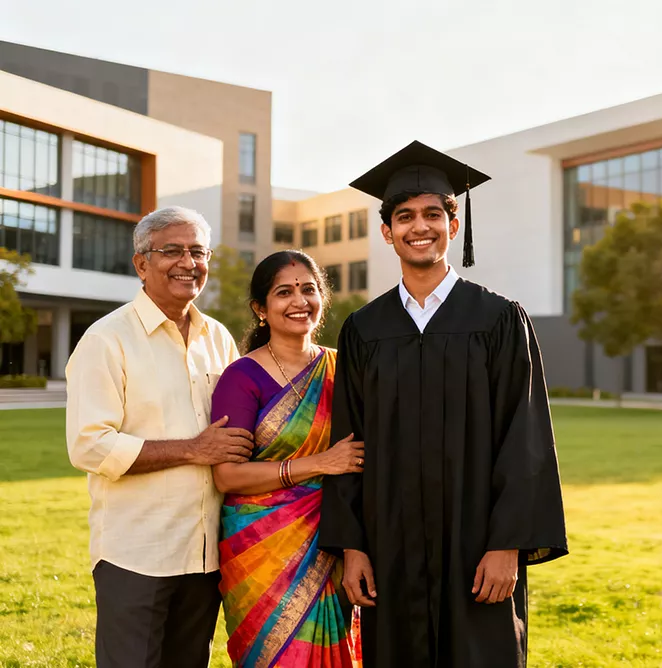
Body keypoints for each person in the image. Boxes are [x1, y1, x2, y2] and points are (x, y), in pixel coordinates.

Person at [319, 141, 568, 668]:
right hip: (392, 546)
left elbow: (524, 440)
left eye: (433, 213)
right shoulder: (365, 330)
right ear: (387, 232)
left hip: (477, 546)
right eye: (404, 216)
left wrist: (509, 546)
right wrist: (353, 546)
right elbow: (349, 441)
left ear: (454, 225)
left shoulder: (499, 320)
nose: (419, 226)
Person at [66, 206, 252, 668]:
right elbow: (89, 443)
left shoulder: (219, 339)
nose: (187, 262)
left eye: (197, 251)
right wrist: (192, 449)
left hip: (206, 554)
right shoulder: (106, 339)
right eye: (171, 250)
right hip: (138, 556)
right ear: (141, 263)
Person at [211, 250, 364, 668]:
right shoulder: (242, 377)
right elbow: (227, 476)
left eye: (309, 289)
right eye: (284, 292)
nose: (299, 301)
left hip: (332, 537)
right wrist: (319, 464)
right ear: (261, 309)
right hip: (261, 548)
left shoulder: (343, 367)